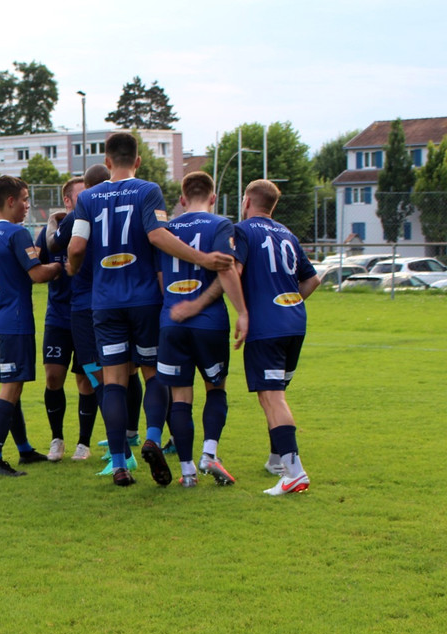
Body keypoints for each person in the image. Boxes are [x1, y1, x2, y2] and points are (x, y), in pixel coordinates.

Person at [67, 132, 233, 487]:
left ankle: (119, 463)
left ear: (107, 161)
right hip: (144, 301)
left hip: (106, 302)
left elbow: (77, 245)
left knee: (112, 381)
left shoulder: (89, 197)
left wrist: (72, 266)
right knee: (153, 374)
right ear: (138, 161)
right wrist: (203, 258)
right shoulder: (147, 190)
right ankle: (153, 437)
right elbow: (157, 235)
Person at [156, 171, 247, 487]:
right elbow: (227, 270)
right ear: (212, 198)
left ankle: (187, 472)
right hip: (209, 324)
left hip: (172, 321)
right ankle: (210, 453)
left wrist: (174, 305)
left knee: (180, 396)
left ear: (181, 200)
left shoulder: (166, 229)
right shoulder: (221, 224)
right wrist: (243, 312)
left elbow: (160, 279)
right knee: (215, 388)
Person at [235, 179, 320, 495]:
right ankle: (276, 459)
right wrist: (289, 303)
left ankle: (294, 471)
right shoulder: (287, 233)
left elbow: (235, 271)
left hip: (266, 327)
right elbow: (312, 281)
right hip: (294, 323)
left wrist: (243, 310)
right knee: (273, 392)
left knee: (272, 396)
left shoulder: (243, 230)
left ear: (247, 201)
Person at [0, 175, 63, 476]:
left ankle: (24, 449)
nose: (27, 205)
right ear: (10, 201)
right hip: (15, 322)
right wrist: (61, 266)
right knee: (11, 388)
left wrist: (2, 292)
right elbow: (38, 274)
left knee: (13, 386)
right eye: (25, 199)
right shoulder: (16, 233)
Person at [35, 176, 95, 462]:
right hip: (57, 317)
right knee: (53, 376)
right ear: (68, 200)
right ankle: (56, 438)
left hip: (87, 316)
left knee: (87, 380)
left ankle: (84, 443)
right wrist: (52, 269)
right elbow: (34, 265)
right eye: (81, 197)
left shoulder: (93, 229)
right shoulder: (51, 234)